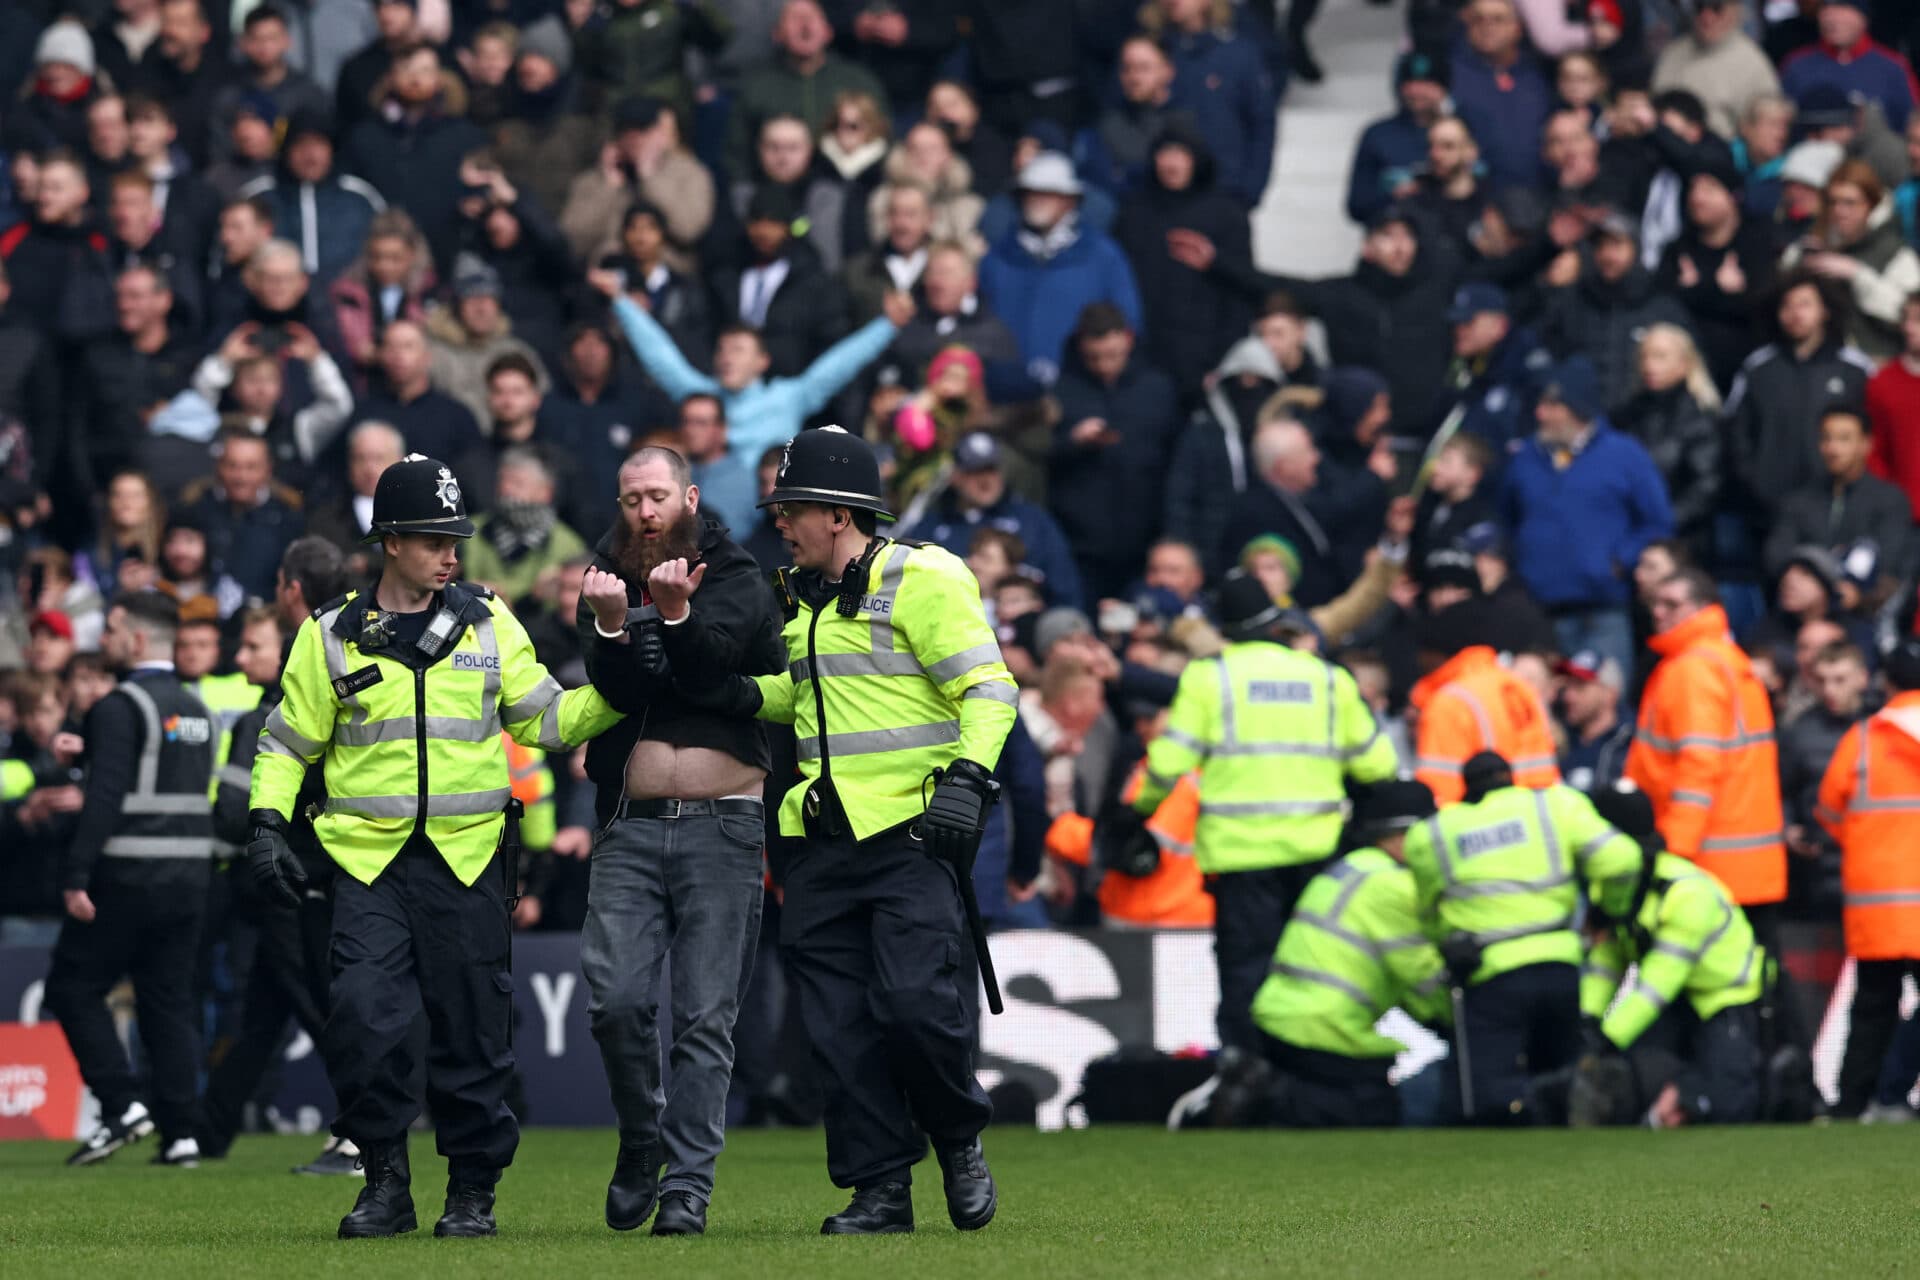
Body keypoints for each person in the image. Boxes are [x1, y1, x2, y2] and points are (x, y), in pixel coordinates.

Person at [245, 454, 623, 1238]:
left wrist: (625, 680)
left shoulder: (490, 619)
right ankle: (386, 1185)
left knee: (474, 1034)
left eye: (455, 537)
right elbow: (285, 746)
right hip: (366, 864)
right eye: (431, 538)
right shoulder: (328, 637)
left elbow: (547, 721)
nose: (451, 552)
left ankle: (471, 1195)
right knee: (362, 1020)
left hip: (469, 858)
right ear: (388, 541)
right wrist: (266, 823)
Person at [686, 426, 1011, 1235]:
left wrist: (967, 782)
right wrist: (735, 695)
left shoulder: (923, 577)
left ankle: (957, 1139)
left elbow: (991, 690)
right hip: (820, 844)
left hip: (911, 835)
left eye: (791, 508)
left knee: (913, 1007)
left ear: (837, 514)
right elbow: (801, 703)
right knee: (836, 1030)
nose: (781, 522)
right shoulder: (794, 596)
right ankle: (880, 1190)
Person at [574, 446, 786, 1236]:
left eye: (657, 496)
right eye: (631, 500)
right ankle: (640, 1138)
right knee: (616, 1002)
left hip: (725, 822)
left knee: (705, 1017)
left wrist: (672, 617)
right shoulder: (605, 576)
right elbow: (618, 693)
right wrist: (609, 628)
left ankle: (687, 1186)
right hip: (629, 824)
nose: (644, 513)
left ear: (690, 496)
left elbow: (713, 672)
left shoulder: (736, 578)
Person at [1128, 571, 1398, 1054]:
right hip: (1317, 854)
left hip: (1242, 859)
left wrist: (1135, 812)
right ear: (1274, 622)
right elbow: (1379, 764)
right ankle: (1308, 1066)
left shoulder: (1211, 679)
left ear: (1225, 627)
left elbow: (1169, 764)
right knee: (1313, 968)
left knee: (1247, 972)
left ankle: (1247, 1075)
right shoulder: (1326, 678)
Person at [47, 592, 217, 1168]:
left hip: (127, 873)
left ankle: (121, 1106)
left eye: (114, 628)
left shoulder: (118, 706)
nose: (106, 638)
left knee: (71, 987)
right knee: (167, 1001)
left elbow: (105, 797)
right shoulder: (196, 707)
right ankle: (183, 1133)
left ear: (138, 640)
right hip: (191, 877)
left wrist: (76, 875)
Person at [200, 549, 354, 1174]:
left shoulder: (304, 679)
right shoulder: (341, 656)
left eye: (253, 647)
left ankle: (360, 1133)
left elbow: (247, 801)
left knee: (324, 1009)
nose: (242, 658)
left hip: (298, 875)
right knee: (262, 1012)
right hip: (286, 879)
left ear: (292, 593)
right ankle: (202, 1133)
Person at [1401, 752, 1641, 1123]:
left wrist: (1447, 941)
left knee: (1492, 1099)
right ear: (1509, 777)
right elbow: (1622, 859)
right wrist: (1607, 910)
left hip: (1490, 971)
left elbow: (1428, 911)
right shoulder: (1553, 805)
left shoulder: (1433, 833)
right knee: (1560, 1083)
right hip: (1558, 963)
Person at [1218, 780, 1451, 1128]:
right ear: (1407, 837)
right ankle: (1267, 1102)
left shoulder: (1349, 869)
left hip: (1279, 1018)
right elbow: (1422, 977)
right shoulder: (1394, 886)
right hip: (1326, 1030)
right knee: (1373, 1113)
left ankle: (1257, 1086)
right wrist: (1466, 1014)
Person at [1572, 784, 1769, 1127]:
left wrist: (1605, 1038)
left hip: (1724, 1000)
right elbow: (1608, 960)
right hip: (1672, 1007)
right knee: (1631, 1083)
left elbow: (1658, 982)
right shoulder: (1616, 886)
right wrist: (1588, 1019)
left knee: (1726, 1108)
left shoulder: (1687, 893)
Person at [603, 277, 904, 469]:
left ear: (762, 362)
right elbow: (661, 357)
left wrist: (887, 325)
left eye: (738, 350)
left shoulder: (789, 397)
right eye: (721, 350)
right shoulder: (703, 396)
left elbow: (838, 365)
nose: (726, 358)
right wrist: (621, 301)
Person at [1500, 356, 1674, 679]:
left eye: (1553, 405)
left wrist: (1621, 560)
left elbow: (1657, 522)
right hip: (1537, 614)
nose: (1541, 414)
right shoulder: (1524, 458)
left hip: (1602, 611)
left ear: (1578, 408)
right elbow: (1507, 519)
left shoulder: (1624, 454)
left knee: (1604, 702)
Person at [1628, 568, 1787, 917]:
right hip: (1742, 863)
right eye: (1655, 603)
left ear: (1703, 607)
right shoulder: (1725, 659)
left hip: (1707, 863)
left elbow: (1698, 766)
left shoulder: (1693, 669)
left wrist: (1673, 852)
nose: (1658, 612)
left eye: (1671, 604)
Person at [1815, 635, 1920, 1117]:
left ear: (1885, 681)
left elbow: (1829, 811)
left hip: (1876, 902)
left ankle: (1851, 1105)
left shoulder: (1862, 739)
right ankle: (1896, 1094)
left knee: (1872, 1006)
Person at [899, 432, 1085, 611]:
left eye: (991, 470)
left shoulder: (1033, 521)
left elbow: (1066, 592)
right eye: (975, 472)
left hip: (1025, 632)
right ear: (955, 477)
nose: (986, 480)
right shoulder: (930, 526)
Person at [1410, 597, 1561, 806]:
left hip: (1481, 824)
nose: (1419, 659)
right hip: (1539, 816)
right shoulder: (1518, 688)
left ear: (1437, 650)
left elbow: (1441, 789)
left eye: (1423, 649)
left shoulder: (1448, 702)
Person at [1763, 406, 1913, 587]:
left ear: (1866, 443)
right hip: (1805, 603)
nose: (1833, 448)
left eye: (1844, 439)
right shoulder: (1798, 501)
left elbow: (1891, 565)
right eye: (1826, 438)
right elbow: (1777, 559)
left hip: (1866, 607)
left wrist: (1855, 593)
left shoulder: (1890, 501)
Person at [1347, 50, 1451, 227]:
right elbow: (1356, 205)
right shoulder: (1378, 135)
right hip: (1395, 239)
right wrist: (1396, 195)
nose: (1417, 91)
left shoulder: (1463, 132)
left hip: (1453, 239)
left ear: (1443, 88)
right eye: (1410, 82)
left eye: (1427, 83)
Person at [1651, 0, 1783, 140]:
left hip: (1720, 154)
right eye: (1699, 7)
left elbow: (1765, 138)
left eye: (1717, 8)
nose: (1706, 17)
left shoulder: (1754, 64)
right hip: (1658, 146)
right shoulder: (1673, 52)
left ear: (1736, 11)